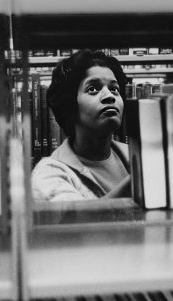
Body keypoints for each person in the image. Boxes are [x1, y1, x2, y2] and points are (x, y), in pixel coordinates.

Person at [32, 49, 131, 202]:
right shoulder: (49, 173)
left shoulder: (131, 154)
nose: (110, 96)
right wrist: (142, 177)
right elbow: (79, 221)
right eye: (92, 89)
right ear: (69, 104)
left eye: (114, 89)